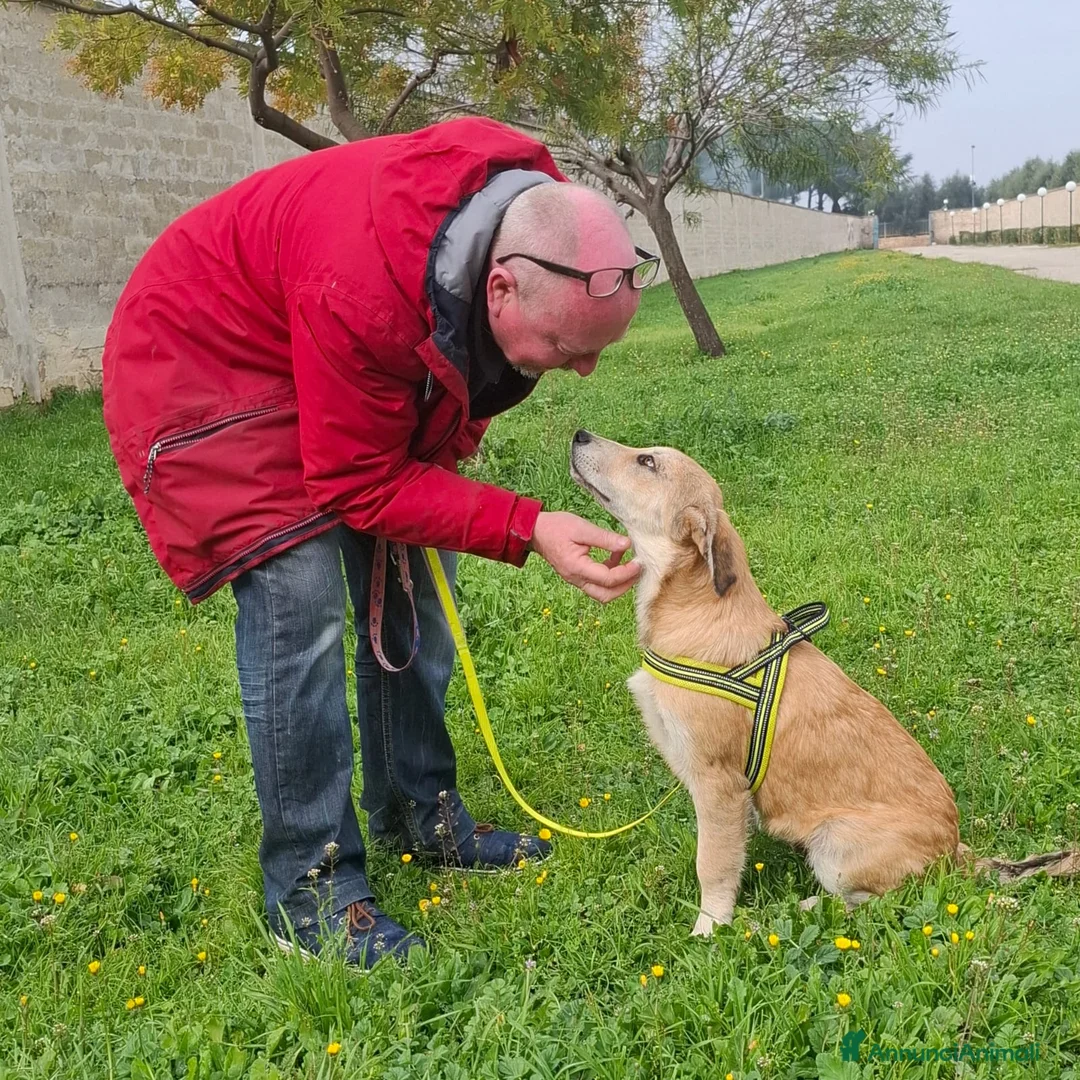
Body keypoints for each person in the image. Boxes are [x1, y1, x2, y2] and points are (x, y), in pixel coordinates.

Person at [102, 116, 658, 967]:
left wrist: (461, 463)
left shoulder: (520, 213)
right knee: (303, 599)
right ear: (501, 289)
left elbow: (452, 376)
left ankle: (416, 814)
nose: (578, 371)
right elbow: (356, 483)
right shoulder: (363, 286)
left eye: (591, 353)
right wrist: (527, 525)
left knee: (415, 585)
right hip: (200, 363)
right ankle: (308, 891)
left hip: (309, 337)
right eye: (564, 348)